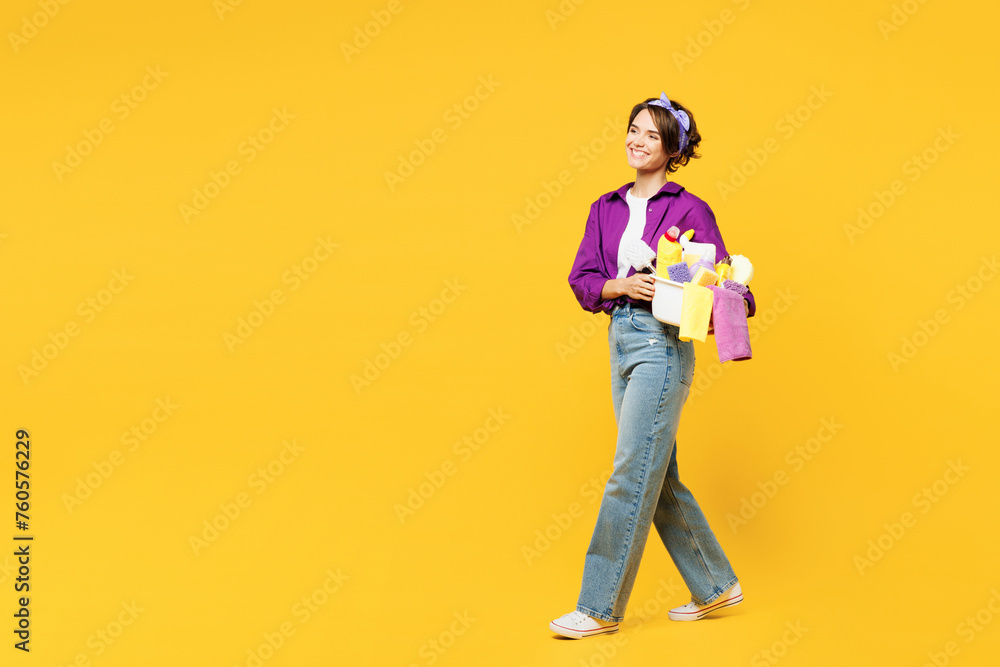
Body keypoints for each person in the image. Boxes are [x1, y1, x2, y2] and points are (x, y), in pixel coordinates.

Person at [549, 92, 755, 640]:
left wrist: (690, 290)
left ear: (672, 150)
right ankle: (715, 584)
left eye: (651, 136)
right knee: (655, 475)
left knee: (629, 473)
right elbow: (583, 278)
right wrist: (620, 284)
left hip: (662, 347)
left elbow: (727, 284)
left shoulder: (690, 208)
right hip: (620, 340)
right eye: (632, 129)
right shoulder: (605, 207)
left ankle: (598, 607)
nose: (636, 140)